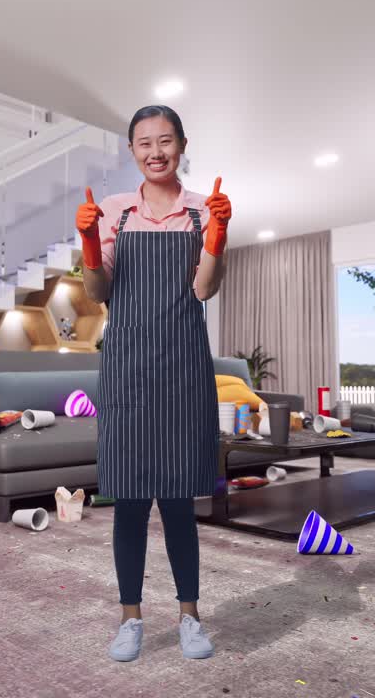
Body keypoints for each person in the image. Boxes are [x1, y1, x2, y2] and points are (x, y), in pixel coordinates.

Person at [75, 105, 232, 662]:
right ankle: (130, 620)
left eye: (165, 140)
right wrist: (90, 244)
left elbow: (205, 289)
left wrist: (218, 233)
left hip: (184, 367)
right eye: (144, 142)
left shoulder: (199, 210)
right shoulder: (115, 212)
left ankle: (190, 615)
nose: (155, 151)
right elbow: (97, 291)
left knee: (178, 501)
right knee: (131, 502)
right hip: (128, 368)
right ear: (132, 151)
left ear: (182, 145)